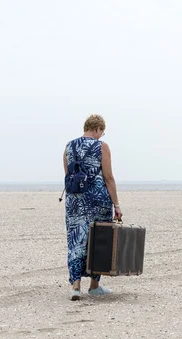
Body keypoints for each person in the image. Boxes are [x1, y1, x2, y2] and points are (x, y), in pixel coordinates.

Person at [63, 114, 123, 301]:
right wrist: (117, 204)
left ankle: (75, 286)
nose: (101, 135)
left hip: (74, 200)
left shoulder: (69, 147)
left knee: (76, 239)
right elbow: (108, 177)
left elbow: (68, 174)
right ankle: (94, 286)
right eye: (102, 132)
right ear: (97, 129)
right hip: (97, 199)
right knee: (97, 239)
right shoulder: (101, 147)